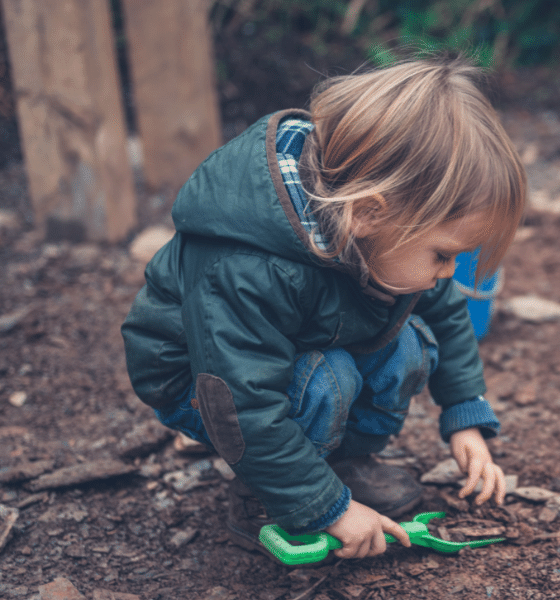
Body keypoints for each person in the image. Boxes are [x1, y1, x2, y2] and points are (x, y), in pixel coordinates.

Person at [121, 56, 527, 561]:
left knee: (406, 345)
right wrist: (327, 512)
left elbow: (445, 312)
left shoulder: (377, 234)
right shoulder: (248, 267)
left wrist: (465, 416)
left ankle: (340, 465)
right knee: (326, 379)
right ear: (369, 212)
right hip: (205, 383)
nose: (447, 272)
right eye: (442, 255)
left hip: (294, 346)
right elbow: (241, 400)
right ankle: (270, 499)